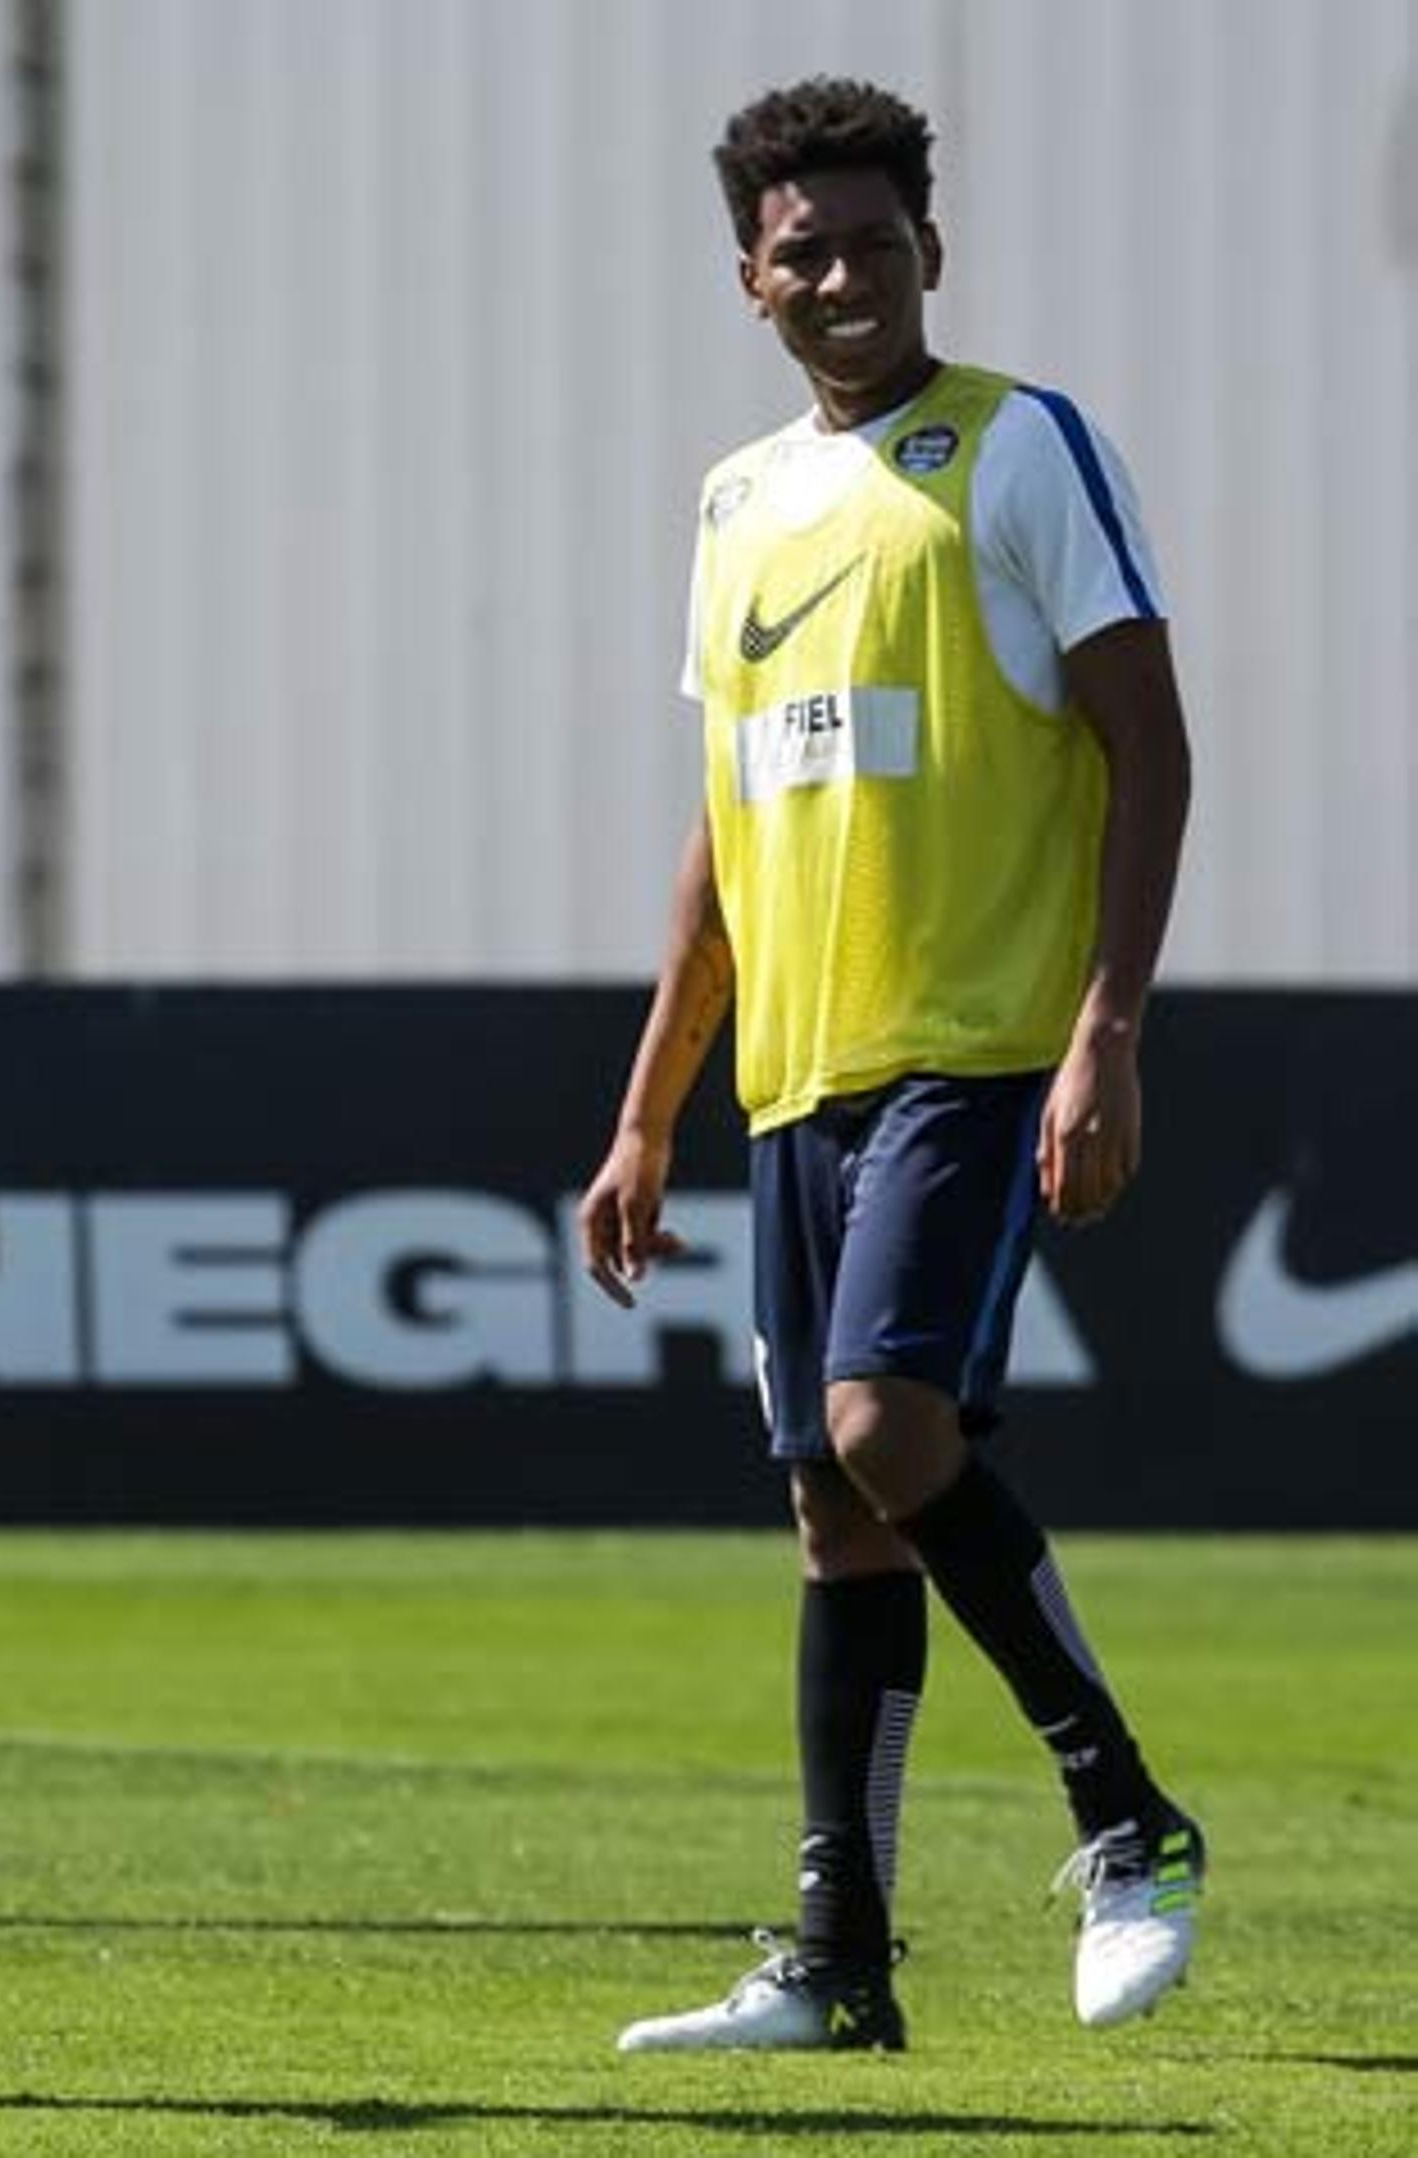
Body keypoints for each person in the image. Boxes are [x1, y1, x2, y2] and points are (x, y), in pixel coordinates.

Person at [578, 76, 1201, 2055]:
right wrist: (648, 1099)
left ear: (932, 249)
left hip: (979, 1041)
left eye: (868, 241)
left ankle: (1128, 1814)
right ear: (747, 278)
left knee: (880, 1421)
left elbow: (1150, 741)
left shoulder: (1020, 450)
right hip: (798, 1073)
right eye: (798, 250)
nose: (836, 276)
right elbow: (721, 825)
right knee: (837, 1513)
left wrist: (1108, 1025)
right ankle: (838, 1958)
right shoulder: (738, 499)